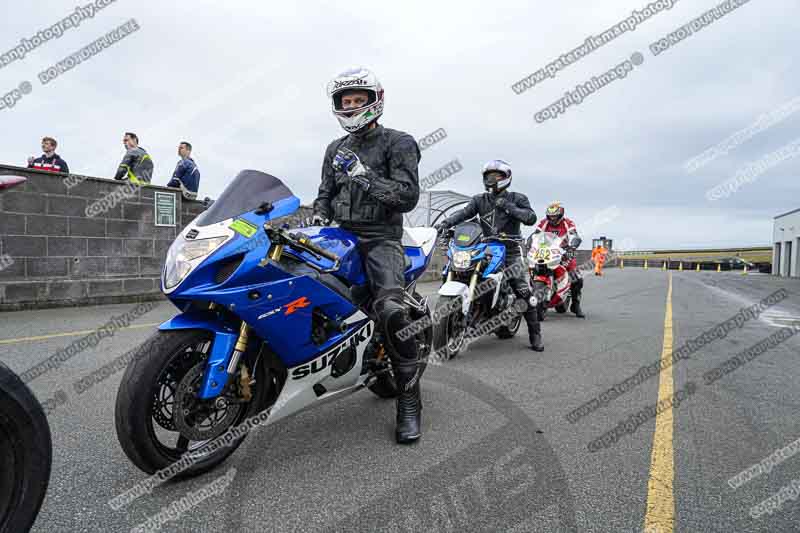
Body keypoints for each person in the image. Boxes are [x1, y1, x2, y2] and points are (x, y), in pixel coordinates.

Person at [311, 67, 423, 444]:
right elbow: (324, 192)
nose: (352, 106)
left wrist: (362, 175)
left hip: (381, 239)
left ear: (375, 100)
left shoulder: (399, 142)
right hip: (337, 236)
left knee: (391, 310)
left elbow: (407, 196)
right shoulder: (333, 148)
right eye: (347, 101)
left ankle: (410, 402)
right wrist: (319, 213)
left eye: (359, 100)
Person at [434, 160, 544, 352]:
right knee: (456, 270)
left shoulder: (518, 198)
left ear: (506, 178)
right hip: (484, 247)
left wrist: (509, 207)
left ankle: (535, 334)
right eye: (488, 176)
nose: (491, 179)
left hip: (509, 249)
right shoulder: (479, 200)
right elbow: (463, 213)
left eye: (496, 176)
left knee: (522, 289)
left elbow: (530, 218)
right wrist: (444, 224)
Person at [532, 202, 585, 317]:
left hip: (564, 252)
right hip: (546, 252)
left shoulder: (567, 223)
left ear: (560, 215)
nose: (552, 218)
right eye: (550, 216)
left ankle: (576, 305)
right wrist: (530, 242)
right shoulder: (543, 223)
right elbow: (536, 234)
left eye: (555, 216)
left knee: (577, 278)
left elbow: (574, 234)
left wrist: (572, 246)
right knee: (532, 268)